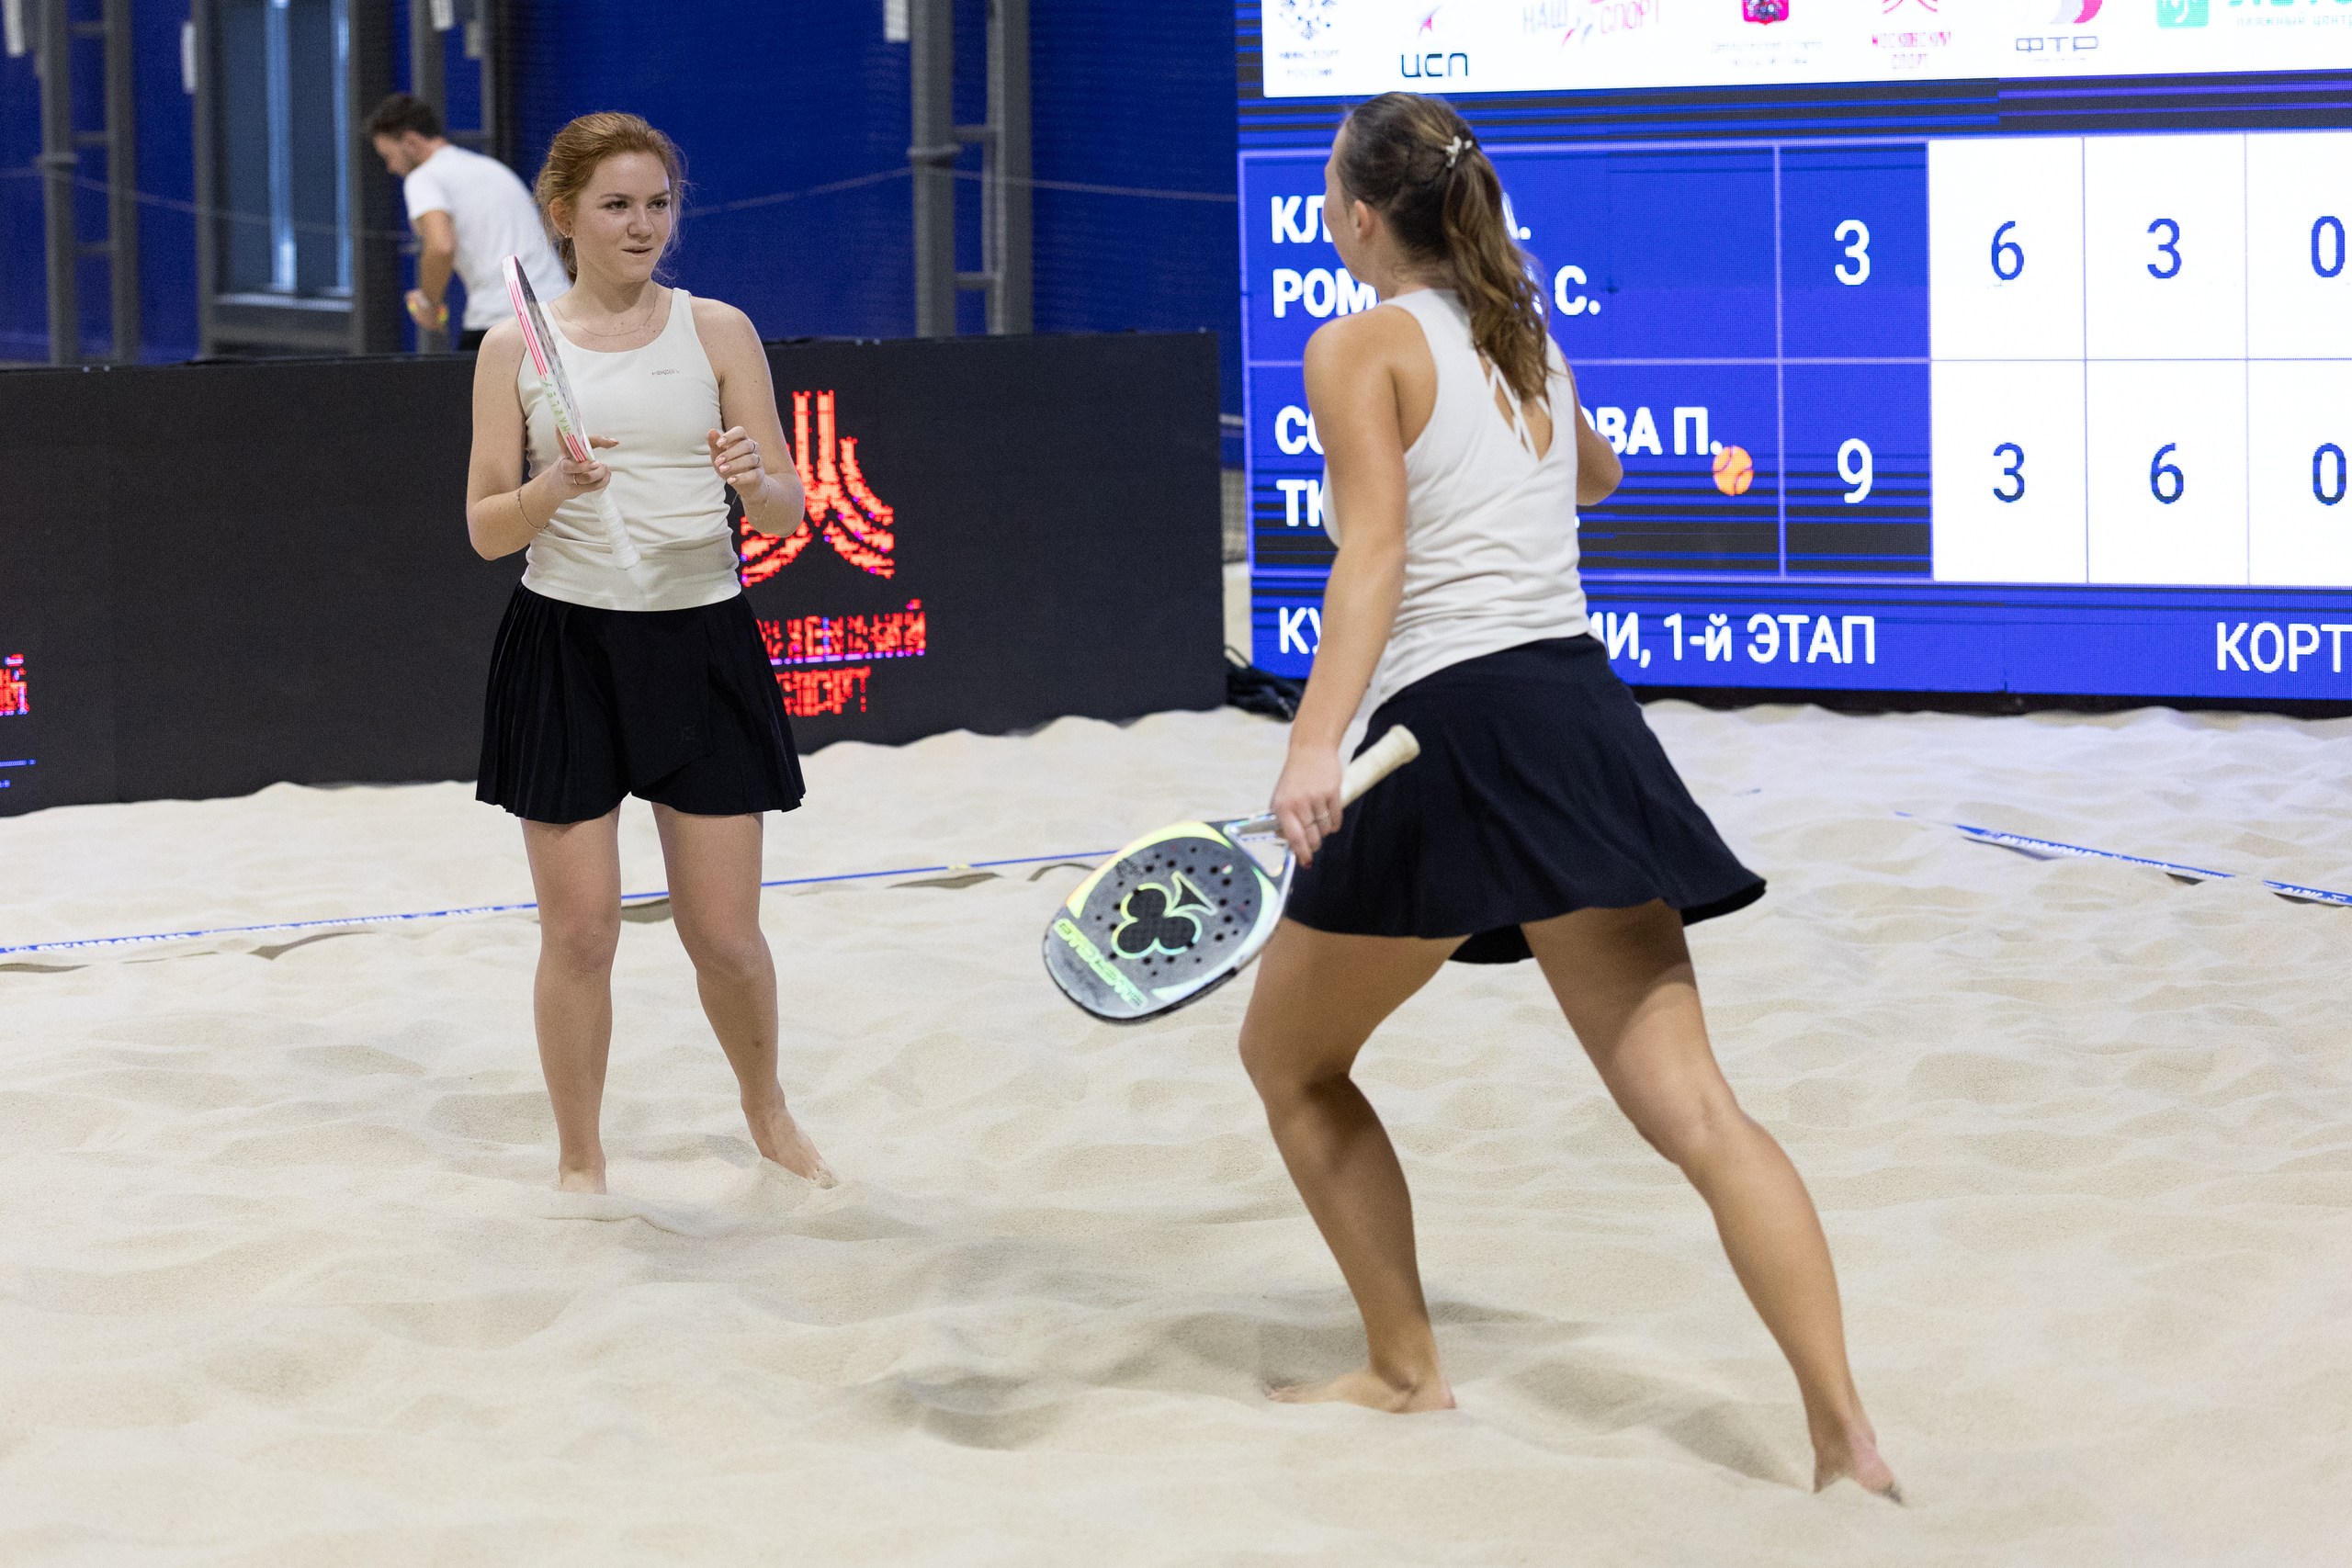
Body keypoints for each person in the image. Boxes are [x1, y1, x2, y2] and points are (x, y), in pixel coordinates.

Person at [1238, 92, 1899, 1501]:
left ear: (1358, 216)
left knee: (1288, 1060)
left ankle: (1406, 1367)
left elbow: (1373, 556)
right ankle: (1846, 1435)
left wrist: (1313, 743)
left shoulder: (1355, 343)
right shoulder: (1518, 333)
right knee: (1702, 1111)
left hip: (1450, 732)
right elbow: (1596, 473)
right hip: (1581, 718)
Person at [463, 111, 831, 1194]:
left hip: (701, 638)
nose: (643, 224)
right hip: (565, 646)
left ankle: (767, 1113)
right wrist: (550, 488)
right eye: (617, 204)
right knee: (581, 936)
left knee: (725, 937)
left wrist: (755, 480)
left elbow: (784, 510)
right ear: (564, 215)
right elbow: (485, 528)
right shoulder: (511, 348)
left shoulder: (719, 330)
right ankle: (580, 1160)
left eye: (659, 203)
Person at [368, 94, 569, 350]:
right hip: (559, 312)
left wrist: (429, 303)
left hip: (502, 319)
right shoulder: (489, 168)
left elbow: (441, 246)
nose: (391, 167)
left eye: (389, 156)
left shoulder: (422, 178)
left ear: (410, 142)